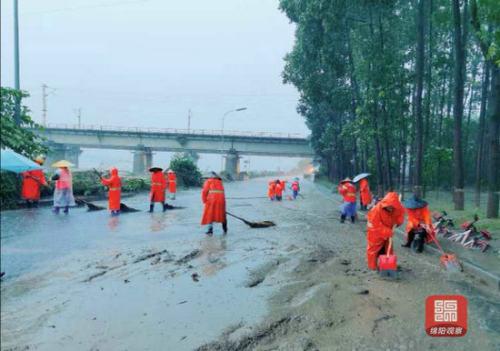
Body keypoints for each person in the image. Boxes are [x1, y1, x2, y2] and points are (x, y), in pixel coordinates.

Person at [366, 192, 405, 270]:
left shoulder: (397, 208)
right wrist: (388, 232)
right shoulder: (376, 210)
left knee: (387, 248)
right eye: (389, 206)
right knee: (374, 249)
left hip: (387, 231)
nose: (391, 208)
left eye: (392, 207)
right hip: (375, 232)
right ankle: (373, 266)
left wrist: (398, 223)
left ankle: (386, 266)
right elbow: (376, 224)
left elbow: (400, 215)